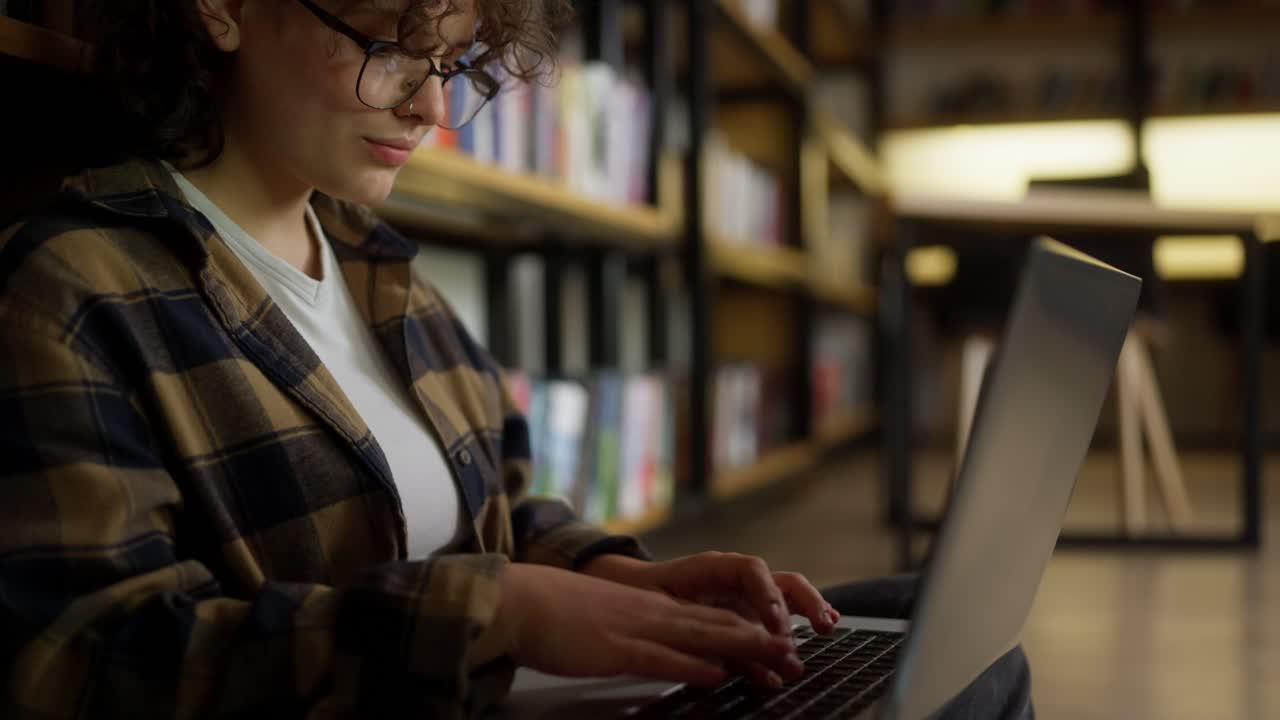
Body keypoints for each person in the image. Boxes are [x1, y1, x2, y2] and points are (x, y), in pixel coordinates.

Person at [0, 1, 1032, 717]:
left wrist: (624, 578)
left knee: (916, 624)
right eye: (390, 49)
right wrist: (494, 616)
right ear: (221, 8)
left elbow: (499, 510)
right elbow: (80, 663)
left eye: (449, 66)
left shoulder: (388, 277)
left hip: (497, 692)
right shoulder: (76, 286)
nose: (433, 111)